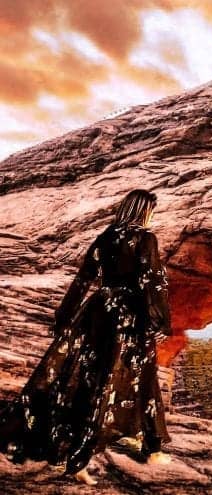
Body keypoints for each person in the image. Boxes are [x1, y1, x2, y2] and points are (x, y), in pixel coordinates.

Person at [0, 189, 173, 485]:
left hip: (98, 313)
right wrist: (160, 321)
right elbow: (151, 282)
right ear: (143, 211)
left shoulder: (105, 237)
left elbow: (83, 279)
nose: (151, 217)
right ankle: (90, 456)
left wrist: (66, 317)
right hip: (130, 318)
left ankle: (145, 445)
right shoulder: (145, 239)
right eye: (150, 211)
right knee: (133, 379)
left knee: (90, 380)